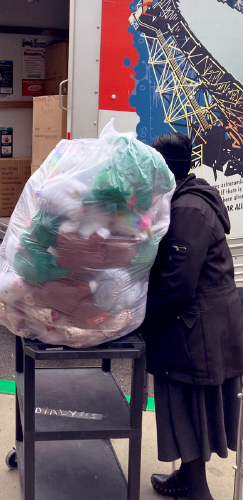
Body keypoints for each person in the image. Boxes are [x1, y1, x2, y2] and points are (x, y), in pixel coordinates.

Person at [143, 132, 243, 500]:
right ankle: (188, 478)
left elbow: (178, 286)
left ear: (166, 169)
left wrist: (139, 320)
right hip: (204, 322)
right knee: (190, 408)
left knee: (188, 407)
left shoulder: (187, 209)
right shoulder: (191, 196)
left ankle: (196, 490)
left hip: (196, 328)